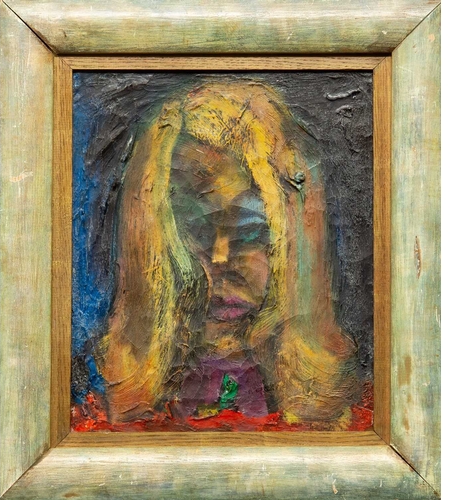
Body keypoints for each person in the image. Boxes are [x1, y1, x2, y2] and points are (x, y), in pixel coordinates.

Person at [96, 80, 358, 428]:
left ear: (294, 245)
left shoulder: (349, 427)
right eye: (196, 230)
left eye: (251, 232)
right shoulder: (104, 424)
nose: (221, 259)